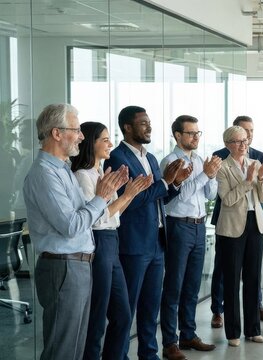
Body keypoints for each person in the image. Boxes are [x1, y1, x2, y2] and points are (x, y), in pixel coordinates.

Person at [23, 104, 126, 360]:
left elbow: (90, 216)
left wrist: (109, 197)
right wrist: (100, 198)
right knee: (62, 349)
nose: (81, 136)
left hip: (77, 265)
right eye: (76, 130)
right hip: (62, 267)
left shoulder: (62, 170)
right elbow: (71, 226)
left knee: (75, 348)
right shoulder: (45, 174)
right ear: (56, 133)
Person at [104, 105, 187, 359]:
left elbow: (157, 197)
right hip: (133, 244)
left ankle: (149, 355)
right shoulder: (117, 157)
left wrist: (175, 183)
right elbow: (130, 201)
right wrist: (164, 182)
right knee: (124, 311)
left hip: (156, 243)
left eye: (149, 122)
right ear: (127, 127)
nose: (149, 127)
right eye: (143, 123)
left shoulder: (150, 158)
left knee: (151, 308)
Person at [70, 122, 152, 360]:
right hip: (99, 243)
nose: (110, 144)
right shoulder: (83, 176)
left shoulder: (102, 173)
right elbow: (97, 219)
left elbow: (114, 214)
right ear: (90, 144)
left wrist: (131, 193)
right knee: (97, 315)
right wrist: (125, 194)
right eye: (104, 140)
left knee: (123, 315)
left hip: (112, 241)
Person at [159, 115, 222, 360]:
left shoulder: (198, 160)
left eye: (198, 133)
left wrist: (212, 175)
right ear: (177, 135)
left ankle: (188, 334)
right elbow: (179, 196)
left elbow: (209, 195)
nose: (196, 137)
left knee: (192, 286)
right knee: (174, 285)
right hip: (178, 226)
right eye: (191, 133)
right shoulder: (170, 161)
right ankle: (169, 342)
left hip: (198, 226)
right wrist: (205, 175)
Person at [210, 115, 263, 328]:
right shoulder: (222, 166)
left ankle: (253, 329)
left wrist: (259, 179)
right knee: (230, 281)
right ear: (228, 144)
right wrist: (248, 181)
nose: (244, 144)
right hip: (231, 227)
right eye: (238, 141)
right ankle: (232, 332)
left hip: (255, 224)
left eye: (245, 141)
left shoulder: (255, 163)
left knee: (253, 278)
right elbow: (227, 199)